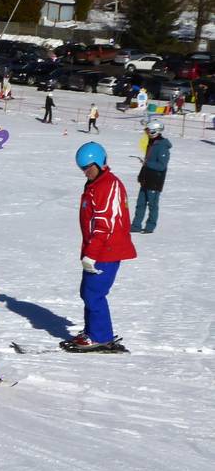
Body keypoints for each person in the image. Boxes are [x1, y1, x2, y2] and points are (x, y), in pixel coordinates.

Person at [72, 142, 137, 349]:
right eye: (82, 169)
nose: (85, 173)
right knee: (88, 292)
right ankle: (93, 331)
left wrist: (91, 254)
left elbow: (106, 224)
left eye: (88, 168)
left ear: (100, 163)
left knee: (94, 293)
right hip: (98, 248)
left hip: (107, 250)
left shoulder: (108, 185)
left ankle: (100, 336)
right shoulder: (97, 183)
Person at [130, 119, 172, 234]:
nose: (146, 132)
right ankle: (136, 225)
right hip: (146, 179)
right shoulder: (152, 142)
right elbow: (147, 161)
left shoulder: (162, 146)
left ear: (154, 131)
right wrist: (141, 175)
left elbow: (162, 166)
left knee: (152, 205)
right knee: (140, 204)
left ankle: (150, 227)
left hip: (154, 181)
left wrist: (147, 163)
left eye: (148, 130)